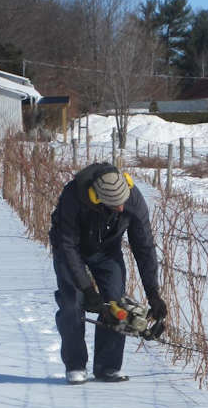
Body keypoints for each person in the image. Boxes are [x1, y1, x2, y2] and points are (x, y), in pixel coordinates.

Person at [49, 161, 167, 384]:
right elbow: (67, 245)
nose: (121, 209)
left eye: (123, 203)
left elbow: (144, 247)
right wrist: (87, 288)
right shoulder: (73, 197)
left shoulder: (133, 200)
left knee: (115, 303)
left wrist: (154, 294)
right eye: (114, 206)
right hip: (70, 250)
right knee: (72, 304)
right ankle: (75, 365)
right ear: (97, 199)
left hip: (106, 252)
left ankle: (107, 367)